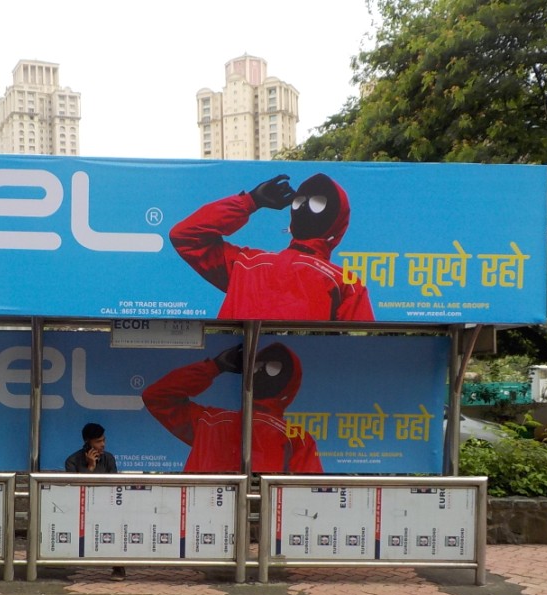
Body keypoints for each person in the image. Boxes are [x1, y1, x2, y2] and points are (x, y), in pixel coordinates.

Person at [170, 172, 374, 322]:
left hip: (238, 378)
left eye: (317, 203)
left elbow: (186, 236)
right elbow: (361, 354)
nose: (302, 206)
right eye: (300, 201)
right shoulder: (345, 283)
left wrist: (251, 201)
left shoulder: (246, 265)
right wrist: (249, 201)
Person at [142, 342, 323, 474]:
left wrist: (215, 367)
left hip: (211, 514)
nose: (259, 372)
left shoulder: (210, 421)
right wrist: (213, 367)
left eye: (272, 369)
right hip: (215, 513)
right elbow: (157, 396)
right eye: (257, 366)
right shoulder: (209, 421)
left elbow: (158, 397)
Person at [64, 423, 124, 579]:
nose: (102, 444)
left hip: (106, 505)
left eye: (104, 440)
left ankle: (119, 567)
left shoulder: (108, 458)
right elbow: (74, 487)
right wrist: (90, 467)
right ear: (87, 442)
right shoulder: (72, 461)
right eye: (98, 441)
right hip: (80, 507)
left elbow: (114, 484)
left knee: (117, 525)